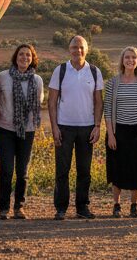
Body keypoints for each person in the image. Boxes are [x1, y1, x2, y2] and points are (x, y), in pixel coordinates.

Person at [47, 34, 104, 220]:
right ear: (69, 49)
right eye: (74, 47)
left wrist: (97, 126)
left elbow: (98, 102)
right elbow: (52, 101)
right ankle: (61, 208)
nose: (77, 50)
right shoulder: (60, 70)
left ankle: (82, 207)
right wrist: (54, 127)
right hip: (64, 127)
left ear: (87, 50)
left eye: (81, 47)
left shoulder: (95, 71)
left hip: (87, 127)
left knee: (84, 171)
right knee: (62, 170)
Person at [0, 43, 44, 219]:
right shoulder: (3, 77)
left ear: (32, 59)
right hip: (5, 129)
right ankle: (3, 207)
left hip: (28, 130)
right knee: (7, 170)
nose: (24, 57)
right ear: (16, 57)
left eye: (28, 55)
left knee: (22, 172)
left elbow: (38, 103)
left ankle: (19, 207)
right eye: (21, 54)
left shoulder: (37, 80)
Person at [104, 46, 137, 217]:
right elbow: (108, 111)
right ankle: (116, 206)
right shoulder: (112, 82)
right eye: (127, 57)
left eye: (133, 57)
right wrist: (110, 134)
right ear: (122, 60)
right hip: (118, 132)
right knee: (117, 169)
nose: (130, 60)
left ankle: (134, 206)